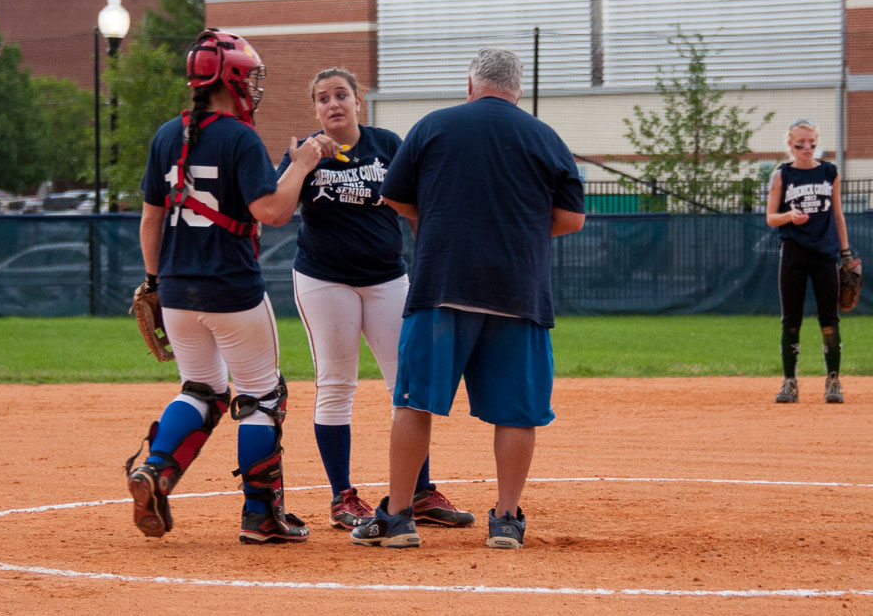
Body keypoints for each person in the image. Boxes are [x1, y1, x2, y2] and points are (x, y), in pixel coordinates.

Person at [350, 47, 585, 549]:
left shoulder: (434, 125)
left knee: (414, 402)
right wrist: (516, 229)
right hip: (517, 292)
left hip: (443, 286)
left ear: (470, 84)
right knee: (517, 411)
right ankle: (505, 520)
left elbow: (393, 195)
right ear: (517, 89)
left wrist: (439, 219)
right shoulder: (546, 137)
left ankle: (397, 519)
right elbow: (571, 219)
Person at [125, 29, 332, 544]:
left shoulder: (166, 135)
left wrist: (154, 280)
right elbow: (273, 211)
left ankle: (156, 468)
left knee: (202, 389)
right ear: (234, 79)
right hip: (232, 289)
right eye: (250, 77)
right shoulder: (239, 136)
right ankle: (262, 517)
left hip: (175, 290)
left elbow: (151, 219)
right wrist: (304, 162)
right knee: (262, 397)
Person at [274, 67, 474, 530]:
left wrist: (429, 263)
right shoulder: (306, 153)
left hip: (387, 277)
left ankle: (419, 492)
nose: (333, 104)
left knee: (408, 382)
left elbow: (418, 206)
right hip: (325, 281)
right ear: (316, 109)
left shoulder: (386, 144)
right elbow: (278, 213)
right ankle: (343, 498)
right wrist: (302, 163)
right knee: (337, 384)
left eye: (341, 94)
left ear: (358, 101)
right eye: (322, 98)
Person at [766, 118, 852, 404]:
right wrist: (790, 216)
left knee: (829, 319)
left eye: (811, 143)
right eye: (800, 143)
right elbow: (770, 218)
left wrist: (846, 254)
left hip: (825, 255)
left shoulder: (830, 172)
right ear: (790, 145)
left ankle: (833, 381)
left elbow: (838, 216)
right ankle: (789, 382)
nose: (806, 148)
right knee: (791, 320)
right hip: (793, 253)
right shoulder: (782, 175)